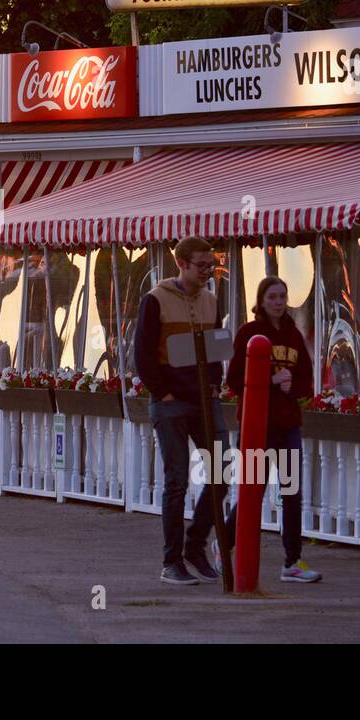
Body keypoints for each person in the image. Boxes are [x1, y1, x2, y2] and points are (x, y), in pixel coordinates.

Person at [132, 236, 227, 586]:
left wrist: (215, 382)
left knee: (223, 470)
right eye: (201, 265)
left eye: (211, 265)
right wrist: (164, 392)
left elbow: (215, 346)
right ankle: (171, 560)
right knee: (176, 482)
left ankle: (195, 546)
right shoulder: (155, 300)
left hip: (205, 398)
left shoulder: (211, 302)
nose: (207, 271)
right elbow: (142, 354)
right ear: (182, 264)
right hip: (172, 401)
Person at [222, 276, 321, 583]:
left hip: (288, 423)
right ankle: (225, 544)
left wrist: (294, 386)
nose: (278, 302)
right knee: (253, 490)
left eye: (282, 296)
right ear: (261, 300)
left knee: (292, 493)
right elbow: (235, 380)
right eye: (272, 297)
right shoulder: (249, 333)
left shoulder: (293, 334)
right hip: (257, 424)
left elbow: (307, 377)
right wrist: (269, 380)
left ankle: (293, 560)